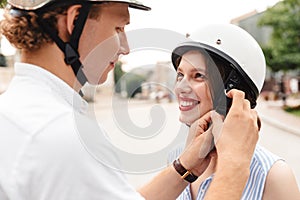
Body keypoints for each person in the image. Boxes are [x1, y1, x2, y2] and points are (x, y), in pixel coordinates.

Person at [0, 1, 262, 199]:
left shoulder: (16, 111)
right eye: (119, 28)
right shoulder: (63, 137)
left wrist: (184, 167)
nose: (124, 47)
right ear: (75, 19)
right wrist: (235, 165)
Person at [171, 24, 300, 200]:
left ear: (234, 90)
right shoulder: (180, 161)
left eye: (198, 75)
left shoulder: (273, 176)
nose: (180, 88)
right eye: (180, 75)